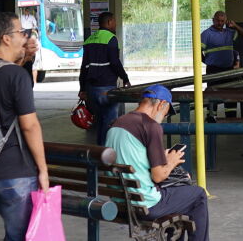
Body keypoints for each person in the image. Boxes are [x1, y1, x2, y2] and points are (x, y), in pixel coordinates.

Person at [0, 12, 48, 241]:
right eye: (20, 32)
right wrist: (43, 170)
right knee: (25, 236)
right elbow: (30, 126)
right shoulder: (16, 76)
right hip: (15, 172)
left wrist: (23, 59)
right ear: (6, 38)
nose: (24, 37)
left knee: (16, 234)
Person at [105, 85, 208, 241]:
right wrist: (171, 162)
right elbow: (158, 176)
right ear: (161, 104)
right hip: (145, 204)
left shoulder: (118, 123)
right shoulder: (150, 126)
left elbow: (131, 159)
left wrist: (162, 159)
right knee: (198, 194)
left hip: (120, 202)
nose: (165, 116)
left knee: (183, 191)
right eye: (167, 111)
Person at [78, 12, 131, 146]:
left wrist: (82, 88)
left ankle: (100, 151)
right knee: (110, 123)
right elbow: (115, 62)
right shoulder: (111, 38)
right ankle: (108, 155)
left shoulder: (89, 39)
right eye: (114, 21)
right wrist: (125, 78)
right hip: (106, 87)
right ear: (108, 22)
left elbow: (84, 67)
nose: (116, 24)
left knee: (101, 121)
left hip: (91, 89)